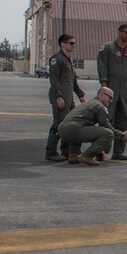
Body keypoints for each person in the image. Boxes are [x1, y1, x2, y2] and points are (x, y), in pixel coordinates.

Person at [96, 23, 127, 160]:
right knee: (106, 118)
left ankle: (119, 151)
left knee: (124, 119)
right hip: (110, 87)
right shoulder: (108, 48)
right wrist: (104, 84)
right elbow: (102, 66)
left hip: (125, 89)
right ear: (119, 33)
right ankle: (101, 150)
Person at [57, 86, 127, 165]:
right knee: (108, 133)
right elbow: (106, 126)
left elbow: (94, 132)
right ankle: (87, 156)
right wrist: (121, 135)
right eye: (110, 98)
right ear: (102, 95)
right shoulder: (100, 106)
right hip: (74, 129)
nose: (111, 101)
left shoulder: (89, 103)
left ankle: (73, 155)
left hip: (62, 130)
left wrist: (99, 151)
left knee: (81, 127)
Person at [44, 34, 85, 162]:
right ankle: (50, 152)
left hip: (69, 97)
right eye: (71, 43)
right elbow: (54, 79)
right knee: (58, 124)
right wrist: (59, 96)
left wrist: (80, 94)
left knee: (69, 124)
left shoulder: (68, 60)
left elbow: (73, 80)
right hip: (60, 97)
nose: (73, 45)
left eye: (73, 43)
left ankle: (66, 151)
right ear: (63, 44)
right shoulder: (57, 59)